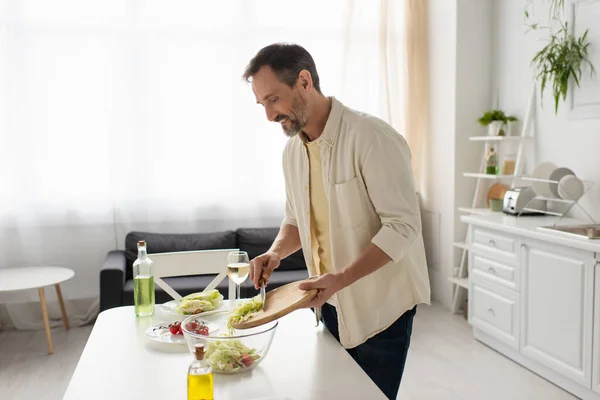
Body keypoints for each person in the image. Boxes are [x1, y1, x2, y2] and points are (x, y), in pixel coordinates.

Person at [243, 43, 431, 400]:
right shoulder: (293, 152)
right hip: (328, 305)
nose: (269, 115)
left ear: (304, 81)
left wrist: (341, 279)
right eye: (262, 105)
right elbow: (297, 218)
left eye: (273, 100)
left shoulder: (372, 137)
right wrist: (276, 253)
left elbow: (403, 227)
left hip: (381, 308)